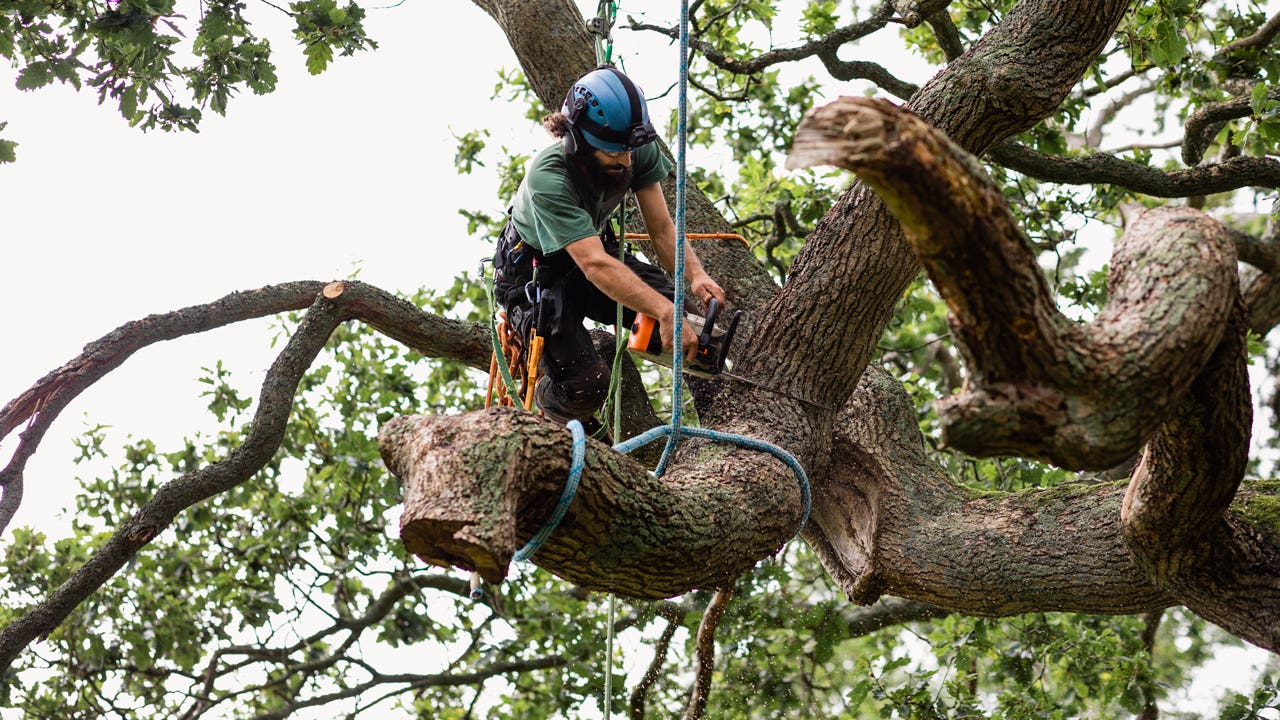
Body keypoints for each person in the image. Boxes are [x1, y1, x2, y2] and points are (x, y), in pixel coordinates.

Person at [494, 65, 726, 433]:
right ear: (576, 141)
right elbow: (594, 266)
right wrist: (661, 310)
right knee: (586, 383)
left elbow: (662, 229)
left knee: (692, 323)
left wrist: (695, 275)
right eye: (614, 152)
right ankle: (554, 404)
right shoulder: (548, 178)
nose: (626, 161)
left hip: (597, 253)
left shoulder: (632, 146)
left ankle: (721, 415)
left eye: (630, 150)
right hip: (538, 276)